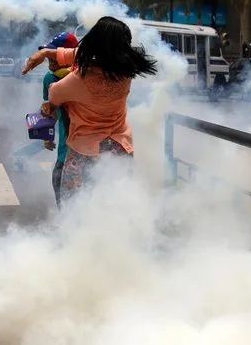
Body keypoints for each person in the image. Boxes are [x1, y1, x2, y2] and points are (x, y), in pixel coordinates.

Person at [22, 16, 157, 202]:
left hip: (85, 154)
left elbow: (54, 96)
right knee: (117, 207)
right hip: (119, 150)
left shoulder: (78, 79)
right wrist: (47, 53)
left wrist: (45, 53)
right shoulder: (127, 71)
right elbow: (87, 54)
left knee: (73, 209)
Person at [39, 32, 78, 209]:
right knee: (59, 182)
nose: (50, 63)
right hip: (65, 149)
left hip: (88, 149)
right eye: (49, 58)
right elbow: (52, 111)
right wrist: (47, 134)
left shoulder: (85, 76)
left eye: (53, 57)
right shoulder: (50, 79)